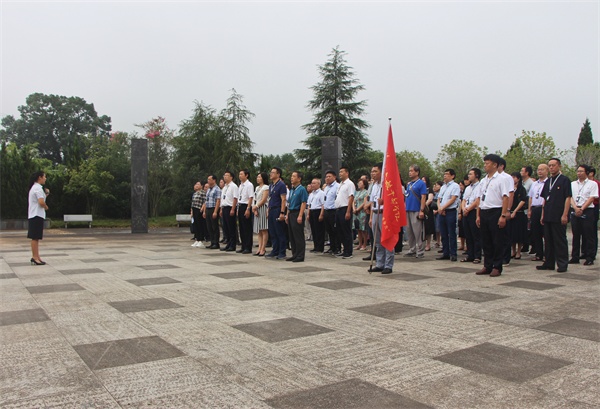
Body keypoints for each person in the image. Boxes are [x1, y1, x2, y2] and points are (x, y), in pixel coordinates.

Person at [476, 154, 511, 277]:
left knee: (497, 240)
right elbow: (479, 199)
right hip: (484, 211)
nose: (485, 165)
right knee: (486, 241)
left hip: (496, 211)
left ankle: (497, 266)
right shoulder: (483, 180)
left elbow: (505, 197)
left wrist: (503, 215)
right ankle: (487, 265)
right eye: (484, 163)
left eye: (487, 163)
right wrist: (478, 215)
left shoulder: (501, 179)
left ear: (495, 165)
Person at [537, 158, 572, 273]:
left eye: (553, 165)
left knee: (559, 240)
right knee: (548, 240)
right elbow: (544, 199)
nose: (551, 167)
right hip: (548, 214)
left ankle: (562, 263)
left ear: (559, 166)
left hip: (558, 215)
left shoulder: (564, 180)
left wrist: (565, 214)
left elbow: (568, 198)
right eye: (550, 165)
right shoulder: (548, 181)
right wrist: (543, 215)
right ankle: (549, 262)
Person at [367, 163, 395, 274]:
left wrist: (384, 202)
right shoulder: (374, 185)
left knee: (387, 239)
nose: (373, 174)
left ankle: (388, 265)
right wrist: (371, 217)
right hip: (375, 213)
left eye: (375, 171)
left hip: (385, 214)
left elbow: (393, 200)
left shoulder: (387, 185)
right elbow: (372, 202)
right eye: (372, 171)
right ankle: (379, 263)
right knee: (377, 241)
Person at [569, 164, 598, 265]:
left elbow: (592, 198)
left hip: (587, 209)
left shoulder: (592, 184)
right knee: (575, 234)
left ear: (587, 172)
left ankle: (590, 257)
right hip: (575, 208)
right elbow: (570, 197)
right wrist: (575, 208)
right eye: (578, 171)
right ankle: (575, 256)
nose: (579, 173)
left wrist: (582, 208)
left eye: (581, 171)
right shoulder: (573, 184)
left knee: (588, 234)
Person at [436, 169, 460, 261]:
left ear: (452, 176)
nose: (445, 176)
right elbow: (439, 199)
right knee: (443, 233)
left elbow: (453, 199)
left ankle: (453, 253)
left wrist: (443, 208)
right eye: (444, 174)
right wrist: (440, 208)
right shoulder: (443, 187)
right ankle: (445, 252)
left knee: (451, 233)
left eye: (447, 174)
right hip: (441, 212)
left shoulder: (455, 186)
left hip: (450, 211)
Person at [404, 165, 427, 258]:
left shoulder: (421, 183)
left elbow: (423, 197)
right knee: (409, 231)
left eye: (412, 171)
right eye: (409, 171)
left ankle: (420, 250)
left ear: (417, 172)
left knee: (418, 231)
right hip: (408, 209)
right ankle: (412, 249)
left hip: (416, 210)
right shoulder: (409, 184)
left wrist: (421, 210)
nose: (410, 172)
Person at [286, 171, 308, 262]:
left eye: (294, 176)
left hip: (297, 212)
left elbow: (303, 203)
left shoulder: (302, 189)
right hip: (291, 213)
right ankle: (294, 254)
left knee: (298, 235)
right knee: (292, 235)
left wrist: (300, 215)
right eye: (291, 176)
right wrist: (287, 215)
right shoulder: (292, 190)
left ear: (299, 179)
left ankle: (300, 255)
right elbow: (289, 203)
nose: (292, 178)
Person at [266, 167, 288, 260]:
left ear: (278, 174)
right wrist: (268, 210)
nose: (271, 174)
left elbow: (283, 199)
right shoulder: (271, 185)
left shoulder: (281, 185)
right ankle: (275, 250)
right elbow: (269, 199)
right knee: (272, 231)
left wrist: (282, 212)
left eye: (273, 172)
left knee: (279, 231)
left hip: (278, 209)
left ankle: (282, 252)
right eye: (270, 172)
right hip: (271, 209)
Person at [461, 168, 482, 263]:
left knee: (475, 234)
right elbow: (464, 200)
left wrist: (468, 209)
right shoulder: (468, 188)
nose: (469, 176)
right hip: (466, 212)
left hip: (474, 211)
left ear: (476, 175)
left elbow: (477, 200)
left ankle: (477, 255)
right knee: (468, 234)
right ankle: (470, 254)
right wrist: (463, 208)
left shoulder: (480, 186)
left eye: (471, 174)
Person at [28, 171, 49, 265]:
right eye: (44, 177)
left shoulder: (37, 188)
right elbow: (41, 202)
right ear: (40, 177)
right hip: (36, 215)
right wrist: (46, 207)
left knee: (36, 237)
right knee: (35, 237)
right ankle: (35, 257)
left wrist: (46, 195)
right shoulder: (37, 188)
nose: (45, 178)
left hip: (36, 215)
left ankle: (37, 256)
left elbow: (40, 199)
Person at [334, 167, 355, 259]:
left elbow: (351, 197)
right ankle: (344, 249)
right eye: (339, 172)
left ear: (347, 173)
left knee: (346, 231)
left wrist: (348, 211)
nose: (340, 173)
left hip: (345, 208)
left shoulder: (349, 184)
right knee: (340, 231)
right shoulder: (340, 184)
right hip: (338, 209)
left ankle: (348, 251)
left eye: (342, 172)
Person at [528, 164, 548, 261]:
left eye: (542, 170)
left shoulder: (548, 182)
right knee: (536, 232)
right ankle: (539, 253)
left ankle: (547, 254)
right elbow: (530, 197)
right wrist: (529, 210)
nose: (540, 171)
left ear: (547, 171)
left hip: (543, 208)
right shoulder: (534, 183)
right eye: (538, 169)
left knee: (546, 232)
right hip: (535, 208)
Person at [509, 172, 528, 260]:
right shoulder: (510, 188)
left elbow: (523, 201)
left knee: (519, 234)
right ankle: (513, 251)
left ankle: (519, 252)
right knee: (512, 234)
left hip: (519, 213)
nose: (513, 179)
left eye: (514, 177)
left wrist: (515, 211)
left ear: (518, 179)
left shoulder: (521, 189)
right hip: (510, 212)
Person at [220, 171, 239, 252]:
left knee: (231, 227)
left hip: (230, 207)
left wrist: (233, 209)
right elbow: (222, 199)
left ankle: (232, 245)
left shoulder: (233, 186)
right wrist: (221, 209)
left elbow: (235, 198)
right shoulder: (224, 187)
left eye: (227, 175)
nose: (225, 177)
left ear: (231, 177)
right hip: (224, 207)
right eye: (224, 175)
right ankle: (228, 243)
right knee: (226, 227)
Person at [251, 172, 269, 257]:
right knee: (259, 230)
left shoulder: (266, 187)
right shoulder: (257, 188)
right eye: (257, 177)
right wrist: (254, 208)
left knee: (263, 229)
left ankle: (263, 248)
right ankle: (259, 247)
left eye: (259, 177)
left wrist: (257, 206)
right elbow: (255, 199)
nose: (257, 178)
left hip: (263, 208)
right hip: (256, 208)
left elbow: (264, 199)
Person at [237, 169, 254, 254]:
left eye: (241, 174)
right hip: (240, 206)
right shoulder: (240, 185)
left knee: (247, 228)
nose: (240, 176)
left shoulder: (249, 185)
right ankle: (243, 246)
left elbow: (250, 197)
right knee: (241, 227)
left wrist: (248, 209)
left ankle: (248, 247)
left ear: (246, 175)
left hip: (246, 206)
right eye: (239, 174)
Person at [322, 170, 340, 255]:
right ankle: (332, 247)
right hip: (327, 210)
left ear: (334, 177)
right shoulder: (326, 188)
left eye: (329, 176)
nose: (327, 178)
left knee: (335, 230)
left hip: (334, 210)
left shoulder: (337, 186)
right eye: (326, 177)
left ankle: (337, 248)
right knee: (329, 230)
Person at [203, 175, 221, 249]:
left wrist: (215, 211)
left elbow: (218, 201)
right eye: (208, 179)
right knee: (209, 226)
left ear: (214, 180)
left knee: (214, 226)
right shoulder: (209, 190)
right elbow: (206, 201)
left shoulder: (217, 189)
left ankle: (216, 243)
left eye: (209, 179)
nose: (208, 181)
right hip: (208, 208)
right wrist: (204, 211)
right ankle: (212, 242)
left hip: (213, 208)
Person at [307, 178, 325, 253]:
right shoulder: (311, 194)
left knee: (319, 230)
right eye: (312, 183)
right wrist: (308, 214)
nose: (312, 185)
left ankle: (320, 247)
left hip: (318, 211)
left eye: (314, 183)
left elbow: (323, 204)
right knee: (313, 230)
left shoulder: (321, 193)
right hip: (312, 211)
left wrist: (321, 214)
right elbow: (309, 205)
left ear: (318, 184)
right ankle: (316, 246)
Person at [587, 167, 600, 262]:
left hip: (594, 206)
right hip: (583, 207)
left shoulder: (596, 183)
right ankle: (584, 252)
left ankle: (592, 252)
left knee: (592, 230)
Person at [353, 179, 369, 251]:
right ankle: (359, 244)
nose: (358, 184)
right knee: (358, 229)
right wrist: (354, 208)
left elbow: (364, 202)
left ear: (364, 184)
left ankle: (364, 244)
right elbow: (353, 201)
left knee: (363, 229)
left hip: (362, 212)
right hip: (356, 212)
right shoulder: (357, 192)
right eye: (358, 183)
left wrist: (358, 209)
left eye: (360, 183)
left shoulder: (366, 192)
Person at [190, 181, 207, 248]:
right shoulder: (195, 193)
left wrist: (202, 209)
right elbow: (192, 203)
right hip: (194, 209)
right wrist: (191, 211)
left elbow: (205, 201)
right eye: (196, 184)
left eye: (198, 184)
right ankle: (197, 239)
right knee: (196, 225)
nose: (196, 185)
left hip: (199, 209)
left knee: (200, 225)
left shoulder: (203, 193)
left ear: (201, 186)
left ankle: (201, 240)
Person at [422, 176, 436, 251]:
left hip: (427, 211)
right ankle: (422, 244)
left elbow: (430, 199)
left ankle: (428, 244)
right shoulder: (420, 189)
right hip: (420, 210)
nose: (422, 181)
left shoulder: (429, 189)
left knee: (428, 228)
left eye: (424, 180)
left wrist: (423, 206)